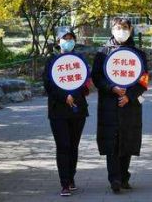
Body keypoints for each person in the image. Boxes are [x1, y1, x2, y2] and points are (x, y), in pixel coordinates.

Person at [91, 17, 149, 194]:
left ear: (130, 29)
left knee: (128, 139)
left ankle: (124, 177)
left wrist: (129, 96)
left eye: (125, 27)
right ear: (112, 29)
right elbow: (96, 77)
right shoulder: (103, 53)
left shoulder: (139, 54)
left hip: (130, 104)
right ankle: (114, 178)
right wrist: (112, 88)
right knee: (112, 141)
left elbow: (144, 79)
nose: (121, 30)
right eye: (118, 27)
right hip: (109, 102)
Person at [43, 30, 91, 197]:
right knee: (63, 146)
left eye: (71, 38)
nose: (68, 41)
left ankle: (71, 178)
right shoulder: (51, 61)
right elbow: (48, 85)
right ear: (58, 41)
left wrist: (74, 95)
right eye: (65, 38)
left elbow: (86, 83)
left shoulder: (81, 60)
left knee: (73, 146)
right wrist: (65, 96)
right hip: (58, 111)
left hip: (78, 110)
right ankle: (64, 183)